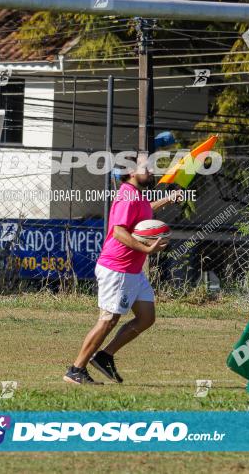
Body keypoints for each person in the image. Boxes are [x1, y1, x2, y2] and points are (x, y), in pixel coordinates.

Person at [64, 161, 181, 385]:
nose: (150, 171)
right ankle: (76, 369)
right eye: (144, 168)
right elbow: (118, 231)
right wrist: (147, 248)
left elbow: (146, 212)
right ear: (130, 173)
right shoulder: (127, 195)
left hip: (133, 271)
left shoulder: (137, 195)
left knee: (146, 317)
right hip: (118, 268)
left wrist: (168, 199)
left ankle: (105, 356)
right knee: (108, 321)